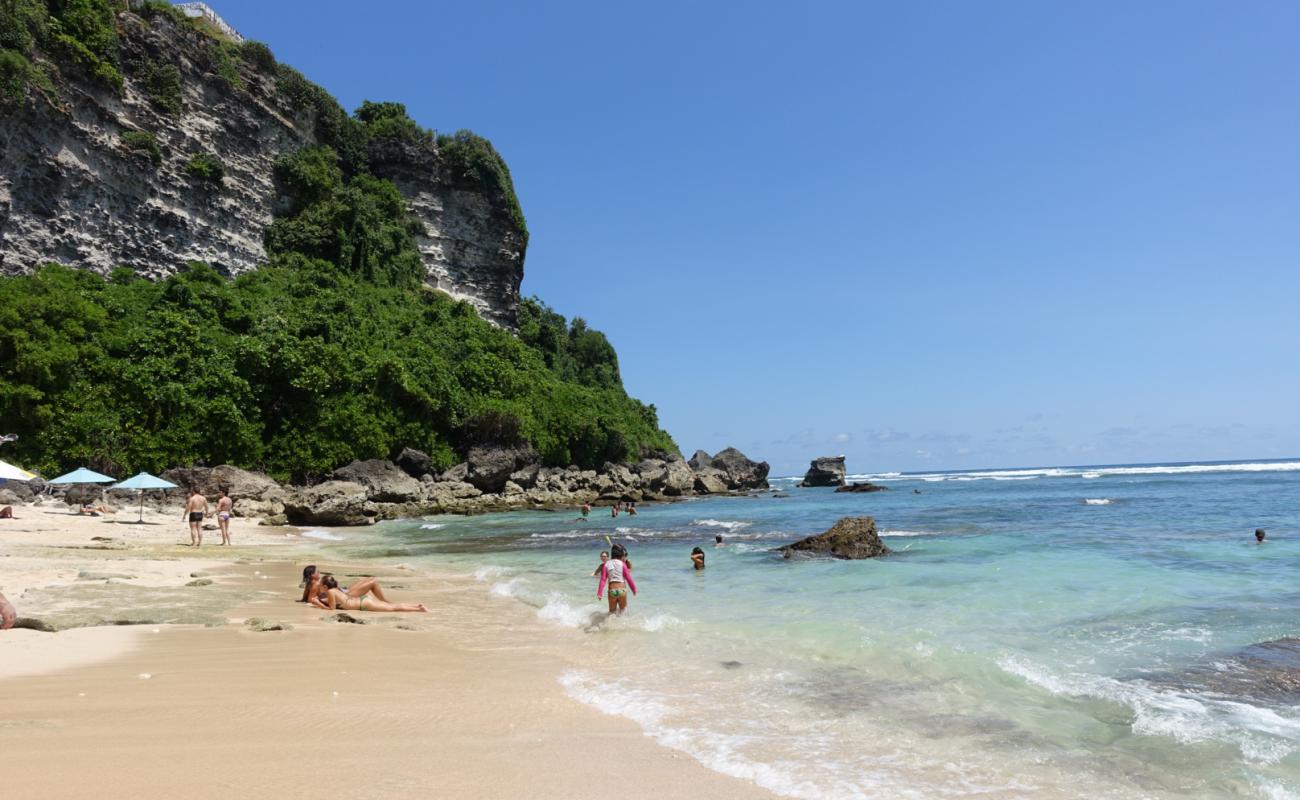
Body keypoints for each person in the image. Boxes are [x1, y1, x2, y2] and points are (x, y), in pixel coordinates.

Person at [315, 575, 427, 613]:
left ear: (325, 587)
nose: (319, 586)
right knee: (391, 606)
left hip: (364, 604)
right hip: (363, 600)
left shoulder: (330, 592)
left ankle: (418, 609)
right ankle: (416, 606)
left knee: (392, 608)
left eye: (320, 585)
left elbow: (332, 609)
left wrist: (320, 606)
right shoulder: (335, 590)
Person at [300, 565, 394, 605]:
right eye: (317, 571)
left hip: (342, 591)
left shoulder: (311, 583)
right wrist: (325, 599)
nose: (319, 572)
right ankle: (385, 602)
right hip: (344, 596)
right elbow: (310, 600)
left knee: (370, 579)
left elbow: (306, 597)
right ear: (312, 575)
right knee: (373, 582)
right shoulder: (315, 584)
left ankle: (384, 601)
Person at [596, 543, 637, 615]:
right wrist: (634, 589)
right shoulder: (622, 564)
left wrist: (599, 593)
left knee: (612, 613)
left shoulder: (606, 564)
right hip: (622, 591)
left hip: (612, 591)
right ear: (622, 554)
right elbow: (628, 578)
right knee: (624, 612)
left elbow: (603, 580)